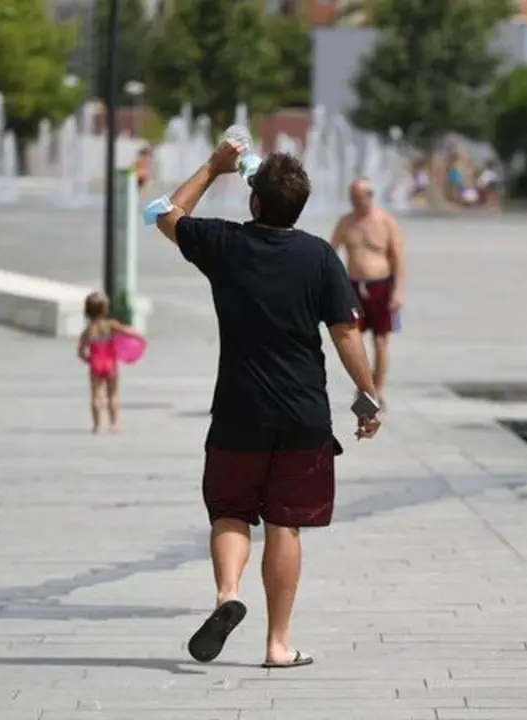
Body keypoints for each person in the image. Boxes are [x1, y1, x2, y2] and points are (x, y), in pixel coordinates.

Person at [152, 139, 382, 670]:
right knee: (285, 524)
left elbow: (167, 214)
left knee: (230, 511)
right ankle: (278, 644)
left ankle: (228, 595)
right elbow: (347, 334)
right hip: (303, 416)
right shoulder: (319, 255)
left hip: (238, 410)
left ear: (254, 202)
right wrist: (368, 397)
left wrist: (214, 166)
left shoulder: (224, 244)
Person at [330, 178, 406, 407]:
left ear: (370, 197)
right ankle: (365, 387)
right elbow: (331, 254)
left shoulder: (385, 222)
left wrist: (398, 291)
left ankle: (378, 389)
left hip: (381, 285)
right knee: (353, 340)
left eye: (360, 198)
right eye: (352, 198)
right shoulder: (345, 222)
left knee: (381, 340)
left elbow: (398, 259)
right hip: (353, 287)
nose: (356, 203)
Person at [77, 291, 145, 434]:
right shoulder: (111, 325)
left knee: (96, 394)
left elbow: (81, 351)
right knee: (113, 394)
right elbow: (130, 332)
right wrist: (141, 338)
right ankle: (114, 424)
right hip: (110, 363)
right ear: (105, 309)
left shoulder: (88, 330)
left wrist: (88, 360)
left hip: (96, 363)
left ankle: (97, 425)